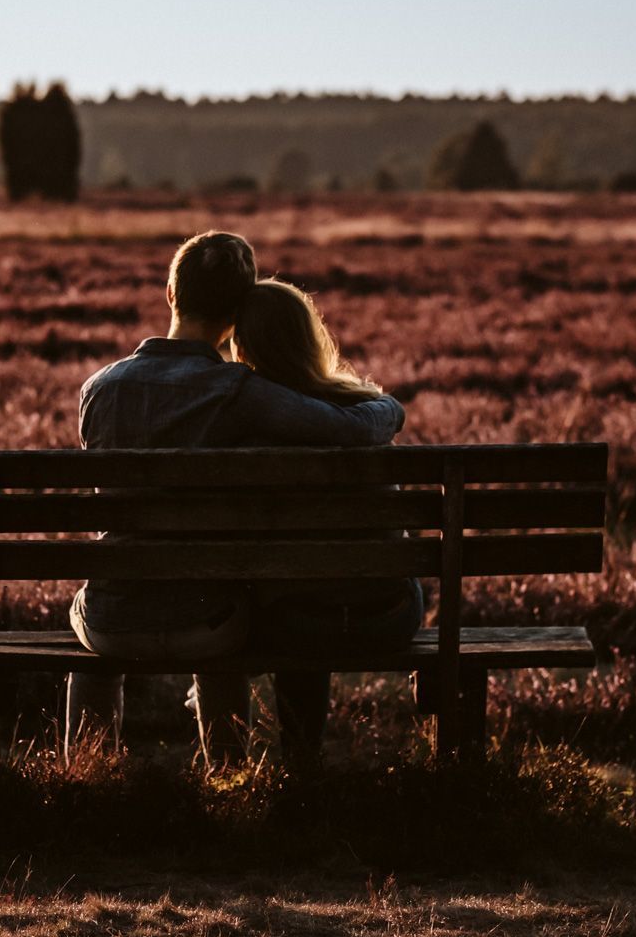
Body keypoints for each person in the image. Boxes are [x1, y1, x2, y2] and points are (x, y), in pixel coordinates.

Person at [67, 231, 406, 765]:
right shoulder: (240, 392)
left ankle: (84, 770)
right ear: (236, 312)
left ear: (171, 293)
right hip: (210, 624)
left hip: (111, 620)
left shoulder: (99, 389)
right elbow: (352, 429)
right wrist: (388, 405)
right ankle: (226, 775)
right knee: (221, 604)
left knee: (89, 619)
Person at [228, 278, 426, 762]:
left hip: (295, 626)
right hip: (390, 617)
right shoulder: (364, 410)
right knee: (322, 588)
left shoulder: (245, 424)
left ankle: (301, 760)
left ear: (243, 347)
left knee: (297, 598)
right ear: (310, 336)